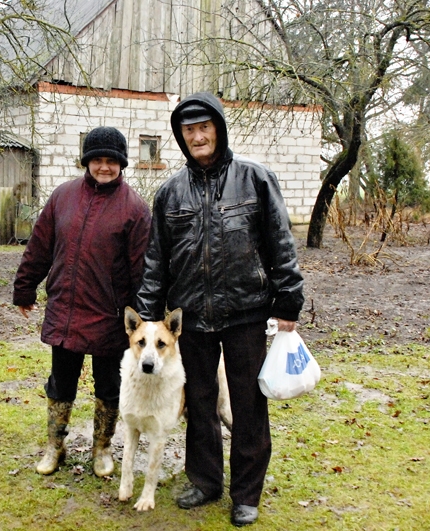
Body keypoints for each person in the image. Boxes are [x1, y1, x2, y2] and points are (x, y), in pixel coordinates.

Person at [134, 92, 304, 527]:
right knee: (200, 401)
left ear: (219, 128)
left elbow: (281, 243)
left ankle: (246, 494)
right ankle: (206, 481)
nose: (197, 136)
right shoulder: (170, 192)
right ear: (181, 137)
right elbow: (157, 259)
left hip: (247, 310)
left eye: (203, 127)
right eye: (188, 130)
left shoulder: (255, 179)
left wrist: (288, 299)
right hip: (191, 316)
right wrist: (151, 312)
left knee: (248, 405)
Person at [13, 126, 151, 477]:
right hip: (66, 311)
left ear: (121, 164)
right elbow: (40, 247)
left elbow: (142, 270)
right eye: (97, 160)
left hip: (110, 316)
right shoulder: (63, 197)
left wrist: (143, 320)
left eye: (111, 161)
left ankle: (102, 448)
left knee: (109, 386)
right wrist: (25, 287)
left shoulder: (134, 209)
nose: (104, 167)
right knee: (61, 383)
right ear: (87, 161)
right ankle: (54, 447)